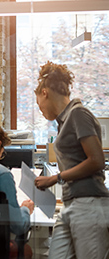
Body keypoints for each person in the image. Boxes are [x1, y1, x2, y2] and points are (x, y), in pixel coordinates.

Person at [33, 61, 109, 259]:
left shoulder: (78, 114)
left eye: (38, 104)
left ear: (44, 92)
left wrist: (55, 178)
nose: (40, 109)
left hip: (89, 203)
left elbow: (97, 161)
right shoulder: (64, 120)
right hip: (71, 203)